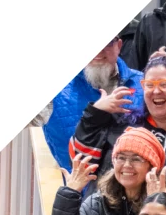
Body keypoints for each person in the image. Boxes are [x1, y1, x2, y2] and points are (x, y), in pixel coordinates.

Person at [71, 52, 166, 187]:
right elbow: (81, 163)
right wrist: (95, 114)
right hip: (108, 213)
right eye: (149, 85)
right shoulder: (120, 122)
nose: (156, 91)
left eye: (164, 84)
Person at [42, 36, 144, 172]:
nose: (99, 51)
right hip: (79, 189)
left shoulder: (144, 83)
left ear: (118, 46)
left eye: (107, 43)